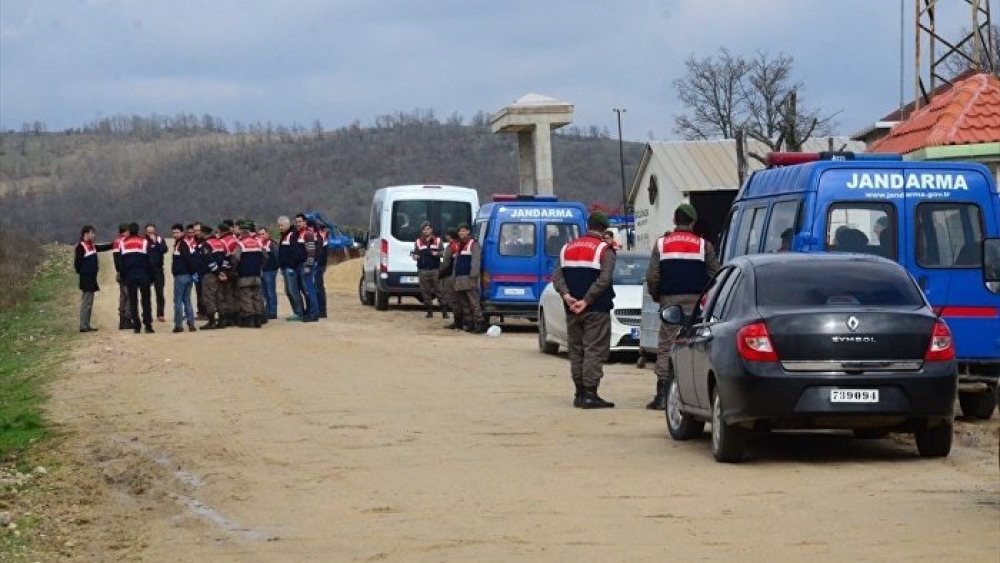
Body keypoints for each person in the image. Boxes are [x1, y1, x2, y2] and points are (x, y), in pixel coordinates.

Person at [644, 203, 721, 410]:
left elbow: (652, 276)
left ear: (675, 221)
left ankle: (662, 394)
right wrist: (708, 300)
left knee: (666, 345)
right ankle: (692, 392)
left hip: (670, 300)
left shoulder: (661, 244)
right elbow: (716, 275)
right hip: (697, 302)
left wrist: (657, 296)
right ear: (693, 223)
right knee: (694, 343)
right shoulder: (704, 245)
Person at [551, 212, 617, 409]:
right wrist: (587, 300)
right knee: (593, 351)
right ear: (604, 229)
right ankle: (590, 394)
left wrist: (566, 295)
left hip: (572, 309)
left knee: (576, 351)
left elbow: (557, 277)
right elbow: (604, 280)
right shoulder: (605, 250)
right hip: (596, 309)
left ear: (587, 225)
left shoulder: (566, 248)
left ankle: (579, 394)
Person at [74, 225, 114, 332]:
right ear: (86, 234)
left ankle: (87, 324)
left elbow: (102, 247)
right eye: (92, 233)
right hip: (86, 276)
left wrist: (114, 244)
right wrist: (83, 272)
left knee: (90, 302)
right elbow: (77, 263)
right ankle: (83, 325)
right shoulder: (81, 246)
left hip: (92, 276)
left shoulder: (91, 245)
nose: (94, 235)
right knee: (86, 301)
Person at [116, 222, 155, 334]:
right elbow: (151, 261)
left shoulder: (123, 243)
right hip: (144, 275)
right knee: (146, 301)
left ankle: (137, 326)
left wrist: (123, 276)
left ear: (129, 231)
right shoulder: (144, 242)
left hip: (130, 276)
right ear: (138, 231)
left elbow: (120, 263)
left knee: (133, 301)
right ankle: (148, 326)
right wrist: (151, 277)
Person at [453, 223, 486, 333]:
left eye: (463, 231)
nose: (461, 233)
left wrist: (473, 277)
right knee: (464, 303)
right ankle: (470, 323)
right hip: (459, 278)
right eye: (460, 231)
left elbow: (476, 262)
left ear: (468, 232)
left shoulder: (473, 244)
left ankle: (479, 323)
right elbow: (456, 263)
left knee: (474, 302)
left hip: (469, 277)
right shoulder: (459, 244)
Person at [231, 220, 265, 327]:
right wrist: (260, 267)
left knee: (246, 298)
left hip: (244, 275)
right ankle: (258, 320)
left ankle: (249, 320)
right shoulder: (258, 243)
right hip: (257, 274)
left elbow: (236, 259)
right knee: (257, 297)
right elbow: (265, 257)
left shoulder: (241, 244)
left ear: (241, 232)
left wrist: (234, 269)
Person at [196, 225, 229, 330]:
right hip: (221, 274)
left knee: (209, 297)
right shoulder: (220, 242)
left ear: (204, 233)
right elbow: (226, 258)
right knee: (220, 297)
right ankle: (222, 320)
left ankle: (211, 321)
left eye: (199, 232)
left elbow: (209, 260)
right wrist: (223, 271)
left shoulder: (206, 244)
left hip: (210, 275)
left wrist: (217, 272)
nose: (198, 234)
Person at [411, 221, 445, 318]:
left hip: (435, 270)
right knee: (425, 292)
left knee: (439, 291)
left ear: (431, 230)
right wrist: (414, 256)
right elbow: (415, 253)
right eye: (424, 229)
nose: (426, 231)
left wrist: (437, 254)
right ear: (422, 231)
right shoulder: (418, 241)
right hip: (423, 270)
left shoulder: (438, 240)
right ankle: (429, 312)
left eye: (428, 229)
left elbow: (443, 252)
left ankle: (444, 312)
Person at [169, 223, 198, 333]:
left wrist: (192, 272)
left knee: (178, 301)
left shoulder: (182, 244)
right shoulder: (185, 243)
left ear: (182, 232)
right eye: (173, 233)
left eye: (177, 232)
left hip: (181, 276)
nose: (175, 234)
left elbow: (188, 259)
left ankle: (178, 325)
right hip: (188, 275)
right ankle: (191, 324)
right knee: (187, 300)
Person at [294, 213, 320, 323]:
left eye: (300, 221)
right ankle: (310, 312)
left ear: (305, 222)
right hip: (301, 264)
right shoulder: (300, 233)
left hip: (306, 265)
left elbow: (311, 251)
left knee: (310, 290)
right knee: (307, 290)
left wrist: (308, 265)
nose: (298, 224)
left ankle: (314, 314)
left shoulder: (308, 234)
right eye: (296, 222)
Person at [277, 215, 304, 321]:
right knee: (288, 291)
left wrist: (292, 266)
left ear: (287, 224)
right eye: (279, 226)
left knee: (293, 291)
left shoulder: (292, 235)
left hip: (290, 268)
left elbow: (295, 252)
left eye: (281, 225)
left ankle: (299, 312)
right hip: (285, 267)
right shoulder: (284, 235)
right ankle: (295, 311)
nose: (280, 227)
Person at [145, 223, 168, 322]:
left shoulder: (159, 239)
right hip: (146, 270)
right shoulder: (143, 241)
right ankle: (146, 313)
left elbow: (164, 250)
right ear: (145, 232)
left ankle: (160, 314)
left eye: (152, 231)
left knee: (159, 293)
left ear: (155, 231)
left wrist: (156, 242)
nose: (150, 233)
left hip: (158, 269)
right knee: (145, 293)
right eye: (148, 232)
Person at [112, 222, 133, 329]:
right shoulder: (124, 241)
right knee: (129, 295)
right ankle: (127, 320)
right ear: (126, 231)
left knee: (123, 296)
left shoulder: (116, 241)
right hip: (125, 272)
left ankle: (121, 320)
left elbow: (116, 258)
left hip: (120, 272)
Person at [258, 225, 280, 320]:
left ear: (267, 234)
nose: (261, 236)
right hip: (262, 271)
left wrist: (276, 267)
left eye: (263, 234)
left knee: (271, 292)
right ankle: (268, 310)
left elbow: (277, 256)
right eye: (259, 234)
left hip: (270, 270)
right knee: (264, 292)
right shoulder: (258, 244)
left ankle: (273, 311)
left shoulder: (271, 244)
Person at [313, 219, 329, 319]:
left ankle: (322, 311)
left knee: (318, 287)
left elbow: (322, 254)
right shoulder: (322, 236)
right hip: (319, 264)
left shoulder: (321, 237)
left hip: (319, 265)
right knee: (317, 287)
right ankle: (320, 310)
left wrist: (317, 263)